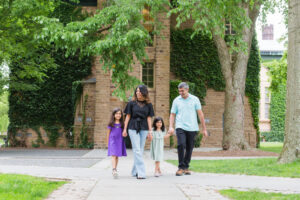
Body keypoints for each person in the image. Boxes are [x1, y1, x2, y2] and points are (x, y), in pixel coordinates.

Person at [168, 82, 208, 176]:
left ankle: (186, 167)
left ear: (187, 90)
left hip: (192, 127)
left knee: (190, 148)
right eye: (179, 91)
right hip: (180, 126)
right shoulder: (176, 100)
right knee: (181, 145)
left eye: (182, 91)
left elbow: (200, 114)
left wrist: (204, 129)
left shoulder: (195, 99)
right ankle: (180, 167)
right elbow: (172, 114)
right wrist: (171, 126)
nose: (181, 93)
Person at [123, 85, 154, 179]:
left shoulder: (149, 104)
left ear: (144, 93)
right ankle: (141, 173)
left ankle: (134, 171)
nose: (137, 93)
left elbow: (149, 118)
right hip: (133, 127)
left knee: (140, 150)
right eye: (136, 91)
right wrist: (124, 129)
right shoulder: (131, 103)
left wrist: (150, 131)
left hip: (144, 127)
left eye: (140, 91)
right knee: (137, 150)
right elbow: (127, 117)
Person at [106, 108, 127, 178]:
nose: (118, 115)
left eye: (119, 114)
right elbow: (108, 134)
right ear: (114, 115)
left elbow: (124, 132)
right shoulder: (111, 124)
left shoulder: (122, 124)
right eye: (116, 113)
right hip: (112, 141)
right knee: (113, 155)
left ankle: (115, 169)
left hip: (120, 141)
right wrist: (107, 143)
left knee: (117, 156)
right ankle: (114, 169)